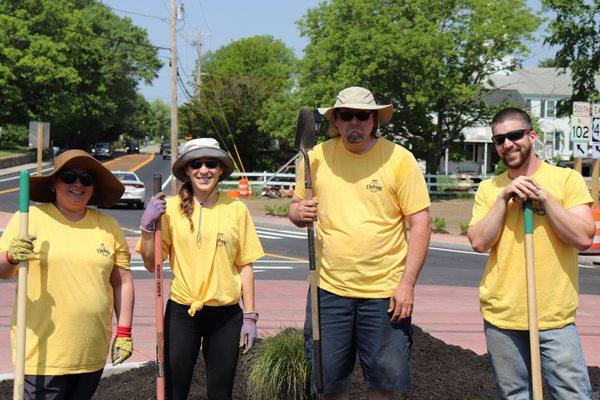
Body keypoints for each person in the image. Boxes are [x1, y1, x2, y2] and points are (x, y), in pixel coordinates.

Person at [289, 86, 432, 399]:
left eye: (362, 115)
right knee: (329, 388)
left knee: (386, 388)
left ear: (374, 120)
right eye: (347, 115)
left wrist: (407, 284)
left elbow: (420, 222)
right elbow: (295, 206)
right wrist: (299, 212)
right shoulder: (315, 157)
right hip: (328, 291)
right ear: (336, 120)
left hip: (385, 294)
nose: (354, 121)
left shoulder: (399, 159)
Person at [467, 107, 595, 399]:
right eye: (500, 140)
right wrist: (503, 198)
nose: (508, 144)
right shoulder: (489, 189)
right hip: (503, 314)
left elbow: (583, 237)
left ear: (532, 135)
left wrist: (545, 199)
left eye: (514, 135)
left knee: (572, 394)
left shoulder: (566, 180)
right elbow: (478, 242)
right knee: (515, 395)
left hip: (553, 315)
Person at [0, 150, 134, 399]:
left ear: (93, 188)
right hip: (42, 354)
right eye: (69, 176)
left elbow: (122, 283)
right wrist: (11, 256)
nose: (77, 184)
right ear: (54, 183)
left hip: (90, 354)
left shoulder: (108, 226)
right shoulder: (29, 219)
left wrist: (124, 331)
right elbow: (2, 271)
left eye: (86, 179)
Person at [137, 138, 264, 400]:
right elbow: (152, 264)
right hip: (182, 312)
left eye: (211, 163)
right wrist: (148, 228)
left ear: (220, 170)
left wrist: (250, 315)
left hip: (226, 316)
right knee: (174, 388)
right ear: (186, 169)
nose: (203, 170)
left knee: (220, 392)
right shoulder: (169, 208)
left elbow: (245, 265)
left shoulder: (236, 210)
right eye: (196, 163)